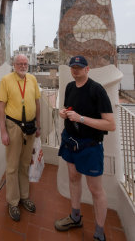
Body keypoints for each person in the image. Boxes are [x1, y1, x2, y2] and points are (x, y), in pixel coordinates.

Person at [55, 55, 116, 241]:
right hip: (70, 142)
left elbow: (110, 124)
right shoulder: (70, 87)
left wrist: (81, 119)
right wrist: (63, 113)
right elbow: (68, 108)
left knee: (95, 189)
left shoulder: (97, 90)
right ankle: (75, 217)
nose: (75, 70)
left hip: (90, 146)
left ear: (87, 69)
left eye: (79, 67)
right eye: (73, 67)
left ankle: (99, 232)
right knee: (73, 178)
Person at [0, 54, 41, 221]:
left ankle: (24, 197)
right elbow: (1, 107)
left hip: (30, 127)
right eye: (20, 63)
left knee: (24, 164)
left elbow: (37, 103)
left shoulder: (32, 79)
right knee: (12, 166)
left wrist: (38, 125)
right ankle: (13, 202)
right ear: (14, 65)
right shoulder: (6, 80)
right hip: (14, 126)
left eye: (25, 63)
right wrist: (3, 132)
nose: (23, 66)